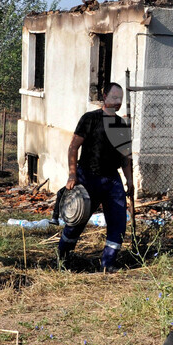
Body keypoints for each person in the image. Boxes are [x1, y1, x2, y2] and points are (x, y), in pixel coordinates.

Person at [57, 82, 134, 272]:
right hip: (88, 177)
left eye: (120, 99)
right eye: (114, 97)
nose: (117, 102)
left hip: (112, 180)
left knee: (118, 222)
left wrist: (130, 180)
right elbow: (73, 147)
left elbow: (125, 157)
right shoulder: (89, 119)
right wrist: (72, 175)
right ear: (104, 96)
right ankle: (62, 259)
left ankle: (108, 264)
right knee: (77, 222)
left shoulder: (121, 125)